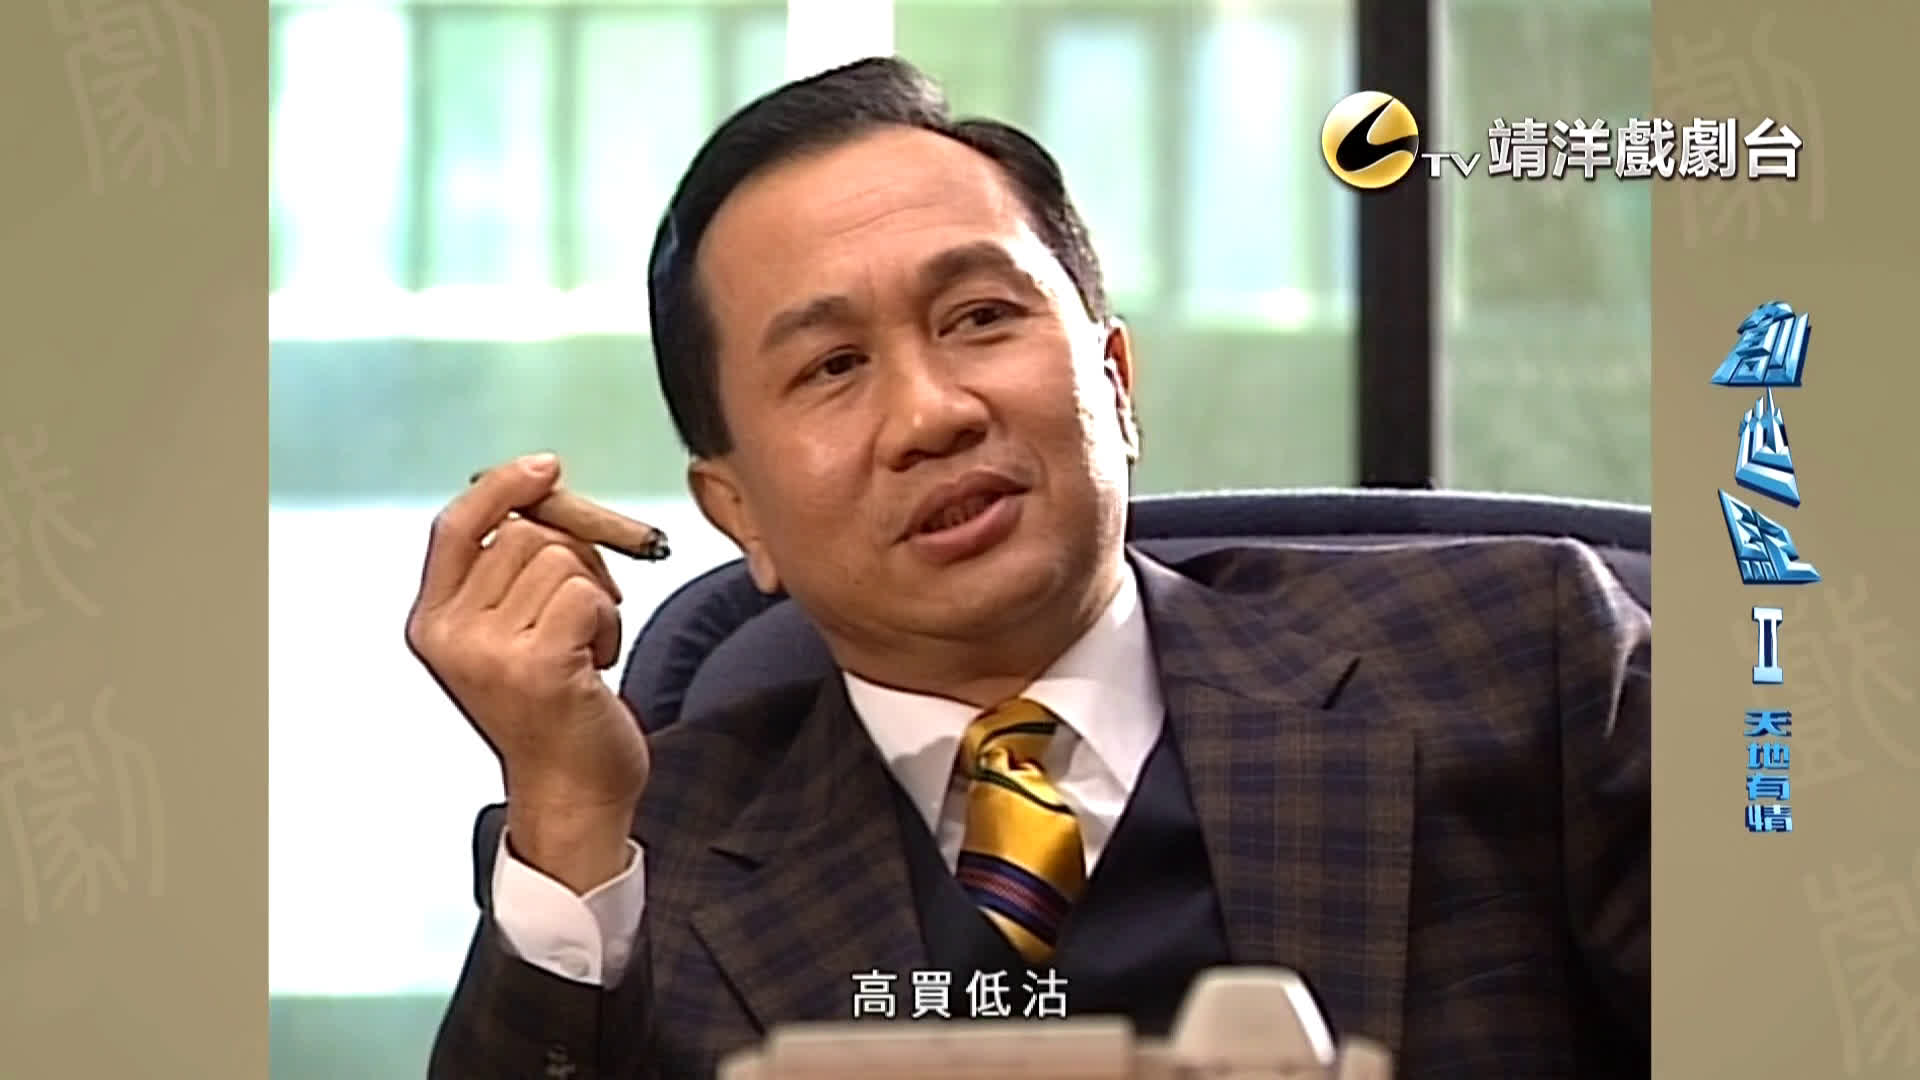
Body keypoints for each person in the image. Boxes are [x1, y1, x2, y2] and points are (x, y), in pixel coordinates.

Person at [410, 57, 1649, 1080]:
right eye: (833, 367)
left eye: (980, 319)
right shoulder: (643, 853)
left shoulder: (1524, 659)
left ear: (1115, 382)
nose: (932, 413)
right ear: (740, 515)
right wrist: (565, 811)